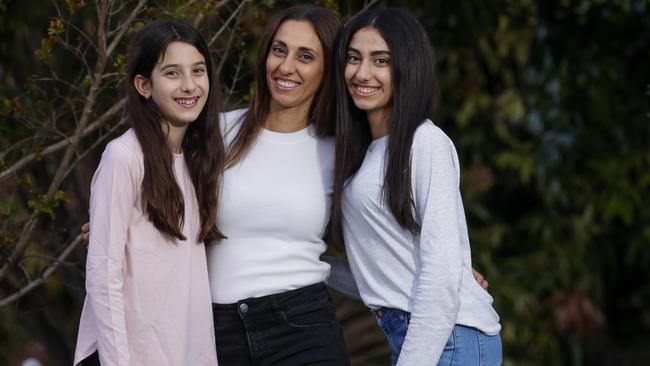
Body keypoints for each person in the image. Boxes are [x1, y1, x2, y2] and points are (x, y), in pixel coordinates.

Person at [329, 7, 502, 366]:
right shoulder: (363, 153)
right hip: (422, 333)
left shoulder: (424, 142)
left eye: (381, 61)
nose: (362, 73)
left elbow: (439, 274)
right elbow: (379, 273)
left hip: (445, 337)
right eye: (354, 58)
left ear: (407, 67)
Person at [73, 19, 223, 366]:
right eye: (172, 73)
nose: (189, 85)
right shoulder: (124, 157)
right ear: (143, 85)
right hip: (127, 355)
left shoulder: (199, 161)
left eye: (198, 71)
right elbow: (102, 275)